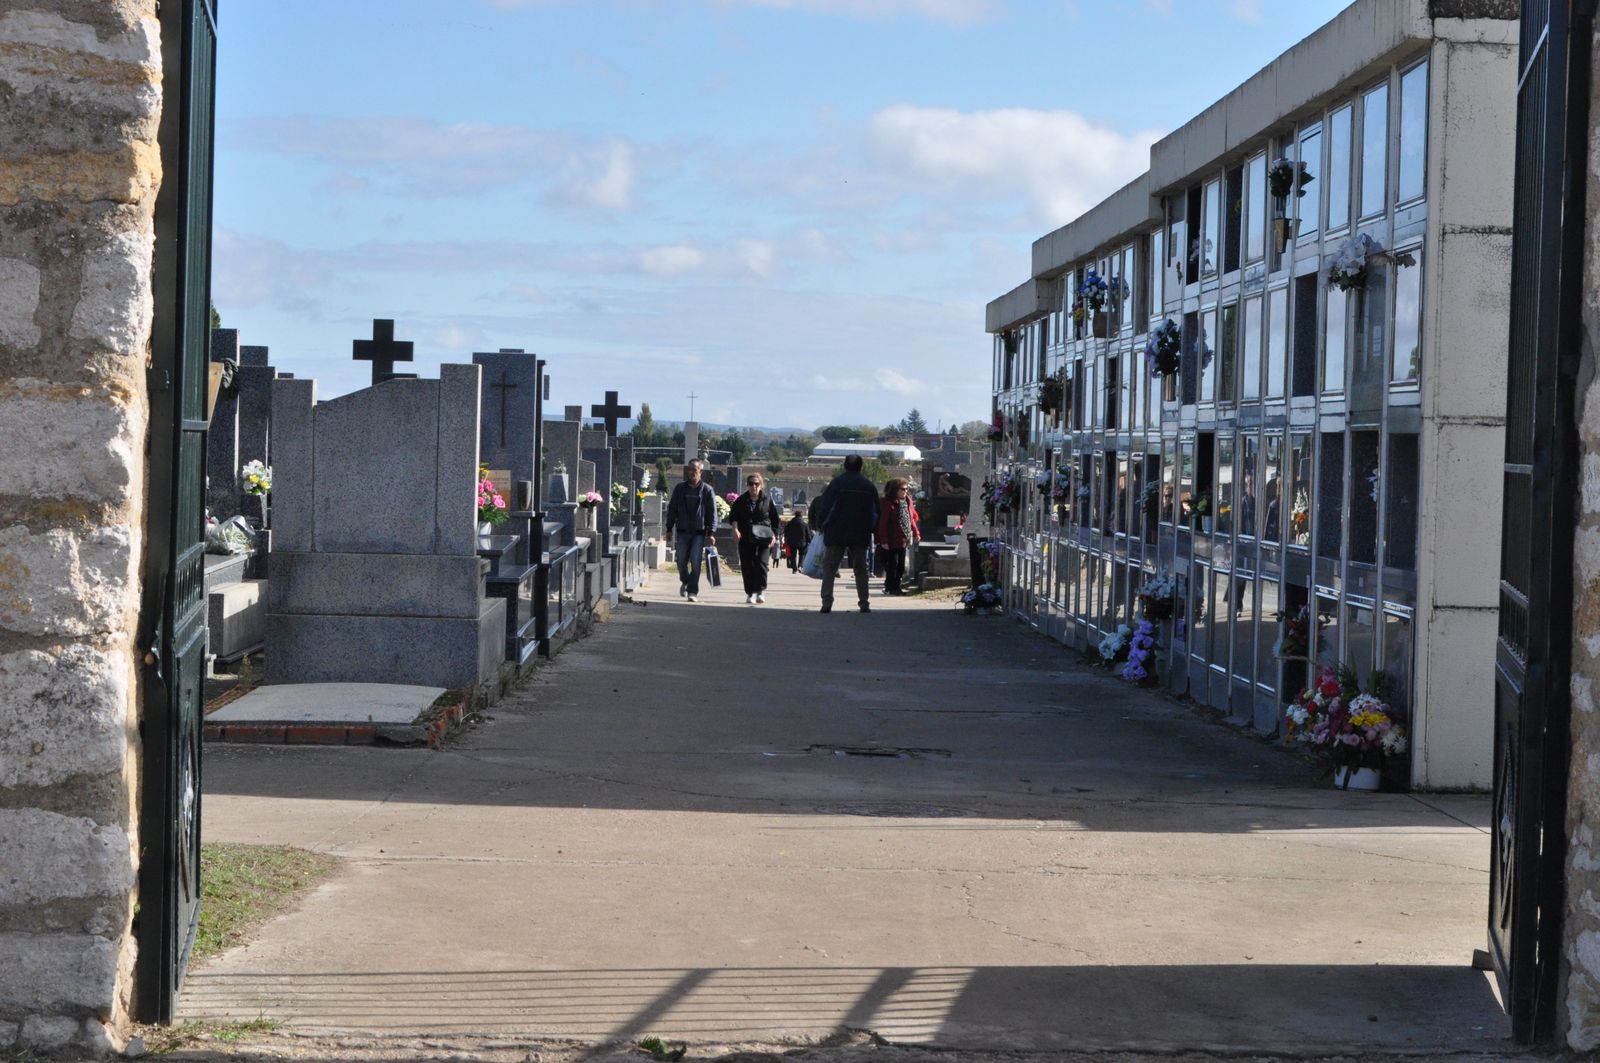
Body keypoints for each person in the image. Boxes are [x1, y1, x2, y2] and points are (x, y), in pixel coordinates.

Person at [813, 455, 880, 613]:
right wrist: (871, 528)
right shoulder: (868, 486)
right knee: (861, 568)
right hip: (860, 531)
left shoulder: (837, 483)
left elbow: (826, 506)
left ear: (844, 466)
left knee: (830, 567)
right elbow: (876, 511)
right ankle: (864, 602)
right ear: (861, 466)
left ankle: (827, 601)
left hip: (837, 530)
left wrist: (821, 524)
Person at [665, 459, 717, 601]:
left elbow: (712, 513)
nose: (692, 472)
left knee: (695, 561)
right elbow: (672, 509)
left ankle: (692, 591)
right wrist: (669, 528)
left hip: (698, 533)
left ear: (701, 472)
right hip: (682, 531)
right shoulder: (680, 488)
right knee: (681, 561)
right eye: (690, 469)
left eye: (695, 470)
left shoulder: (707, 490)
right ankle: (686, 581)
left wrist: (711, 533)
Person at [729, 472, 780, 603]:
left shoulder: (767, 500)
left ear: (760, 485)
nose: (754, 486)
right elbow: (734, 516)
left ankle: (760, 591)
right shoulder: (741, 500)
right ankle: (750, 592)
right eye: (751, 484)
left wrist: (775, 536)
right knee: (747, 565)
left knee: (762, 564)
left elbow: (775, 520)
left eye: (756, 484)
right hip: (746, 536)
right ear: (747, 485)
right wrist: (735, 529)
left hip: (764, 537)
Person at [874, 477, 921, 596]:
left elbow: (911, 519)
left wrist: (916, 533)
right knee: (892, 565)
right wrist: (884, 540)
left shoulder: (907, 501)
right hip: (891, 540)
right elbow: (882, 523)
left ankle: (896, 586)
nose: (905, 491)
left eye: (907, 489)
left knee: (900, 565)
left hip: (903, 539)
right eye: (903, 489)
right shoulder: (886, 503)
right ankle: (890, 587)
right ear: (895, 490)